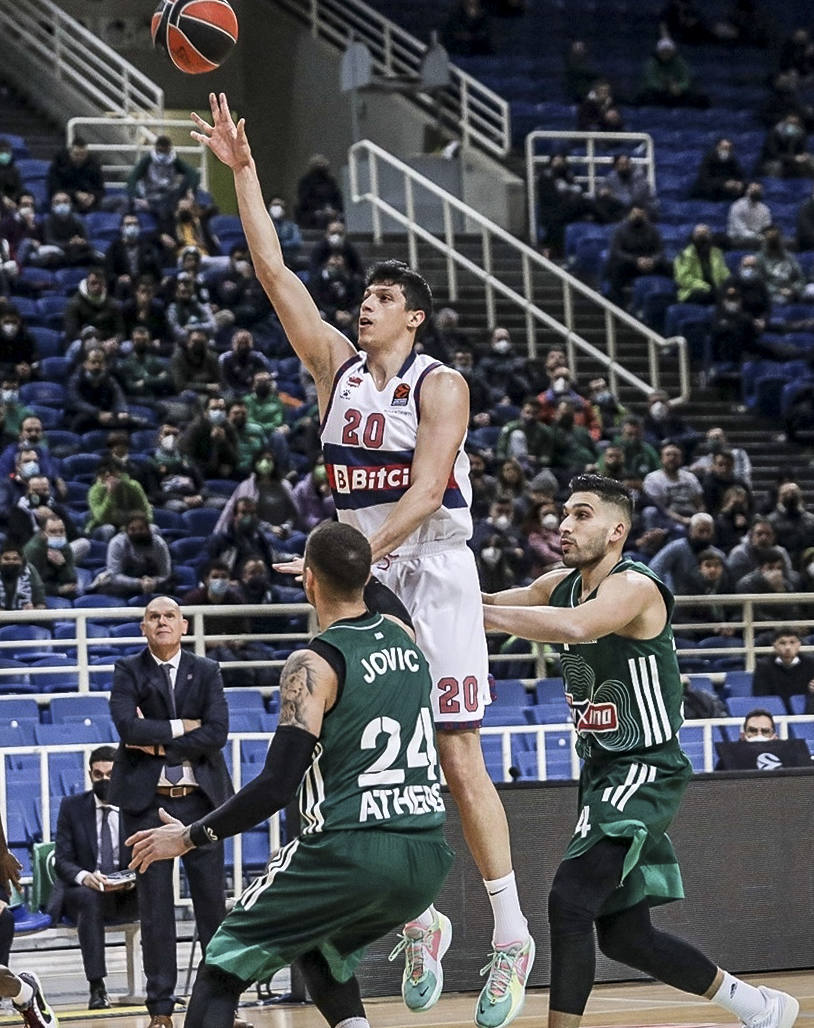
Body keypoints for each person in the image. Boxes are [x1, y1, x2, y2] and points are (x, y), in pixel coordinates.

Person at [191, 92, 533, 1028]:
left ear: (414, 319)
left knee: (457, 753)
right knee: (336, 751)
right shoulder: (335, 368)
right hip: (363, 575)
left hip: (428, 569)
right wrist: (244, 171)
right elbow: (271, 270)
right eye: (365, 298)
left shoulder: (441, 384)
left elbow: (425, 495)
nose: (363, 305)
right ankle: (419, 918)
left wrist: (350, 564)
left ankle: (508, 934)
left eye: (382, 299)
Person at [482, 474, 799, 1028]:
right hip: (603, 768)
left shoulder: (636, 587)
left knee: (570, 901)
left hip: (645, 766)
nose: (564, 523)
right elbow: (478, 602)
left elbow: (579, 628)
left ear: (616, 531)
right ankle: (758, 1005)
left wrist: (478, 615)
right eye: (565, 513)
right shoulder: (557, 586)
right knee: (626, 936)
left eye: (582, 514)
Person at [126, 521, 454, 1028]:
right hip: (427, 855)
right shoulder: (405, 636)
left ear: (308, 582)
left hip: (347, 851)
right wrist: (343, 555)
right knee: (315, 941)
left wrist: (190, 837)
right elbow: (377, 589)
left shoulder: (313, 663)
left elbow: (278, 784)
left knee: (219, 967)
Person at [108, 595, 233, 1026]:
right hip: (147, 805)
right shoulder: (128, 669)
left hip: (202, 804)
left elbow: (217, 733)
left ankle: (220, 1007)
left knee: (213, 911)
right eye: (153, 616)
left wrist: (157, 740)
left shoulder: (208, 671)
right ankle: (160, 1010)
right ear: (143, 627)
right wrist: (184, 728)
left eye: (169, 616)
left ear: (184, 627)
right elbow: (126, 727)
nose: (161, 622)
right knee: (155, 910)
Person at [49, 745, 139, 1010]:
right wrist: (85, 876)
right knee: (89, 898)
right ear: (90, 775)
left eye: (110, 774)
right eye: (98, 775)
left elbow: (147, 853)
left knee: (156, 888)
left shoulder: (135, 806)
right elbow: (62, 860)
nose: (104, 780)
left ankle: (160, 986)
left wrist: (129, 879)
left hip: (126, 890)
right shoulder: (72, 807)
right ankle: (97, 987)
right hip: (85, 892)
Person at [752, 627, 814, 713]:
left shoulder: (811, 664)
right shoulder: (763, 666)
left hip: (804, 715)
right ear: (774, 645)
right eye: (782, 643)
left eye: (792, 642)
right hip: (775, 714)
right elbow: (761, 698)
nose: (788, 647)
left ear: (799, 644)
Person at [673, 224, 729, 304]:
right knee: (704, 295)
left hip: (715, 289)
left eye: (705, 233)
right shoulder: (684, 255)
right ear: (692, 236)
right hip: (692, 291)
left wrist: (730, 283)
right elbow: (683, 279)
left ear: (710, 236)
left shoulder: (717, 253)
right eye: (699, 234)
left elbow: (724, 272)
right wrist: (704, 286)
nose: (702, 237)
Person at [47, 136, 104, 213]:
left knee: (120, 201)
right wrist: (75, 194)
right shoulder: (59, 163)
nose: (79, 157)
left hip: (91, 202)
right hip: (67, 201)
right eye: (76, 154)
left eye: (83, 154)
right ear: (70, 152)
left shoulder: (94, 164)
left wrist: (93, 197)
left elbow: (100, 189)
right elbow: (53, 188)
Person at [726, 183, 772, 249]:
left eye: (758, 190)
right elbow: (740, 230)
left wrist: (764, 236)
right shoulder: (737, 206)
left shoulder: (765, 209)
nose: (756, 191)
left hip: (758, 239)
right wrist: (757, 237)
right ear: (747, 191)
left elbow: (767, 227)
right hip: (737, 238)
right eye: (753, 189)